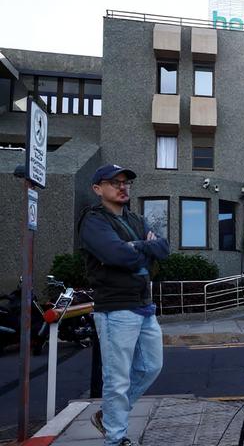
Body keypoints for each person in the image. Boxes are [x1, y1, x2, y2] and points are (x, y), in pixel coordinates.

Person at [78, 164, 170, 446]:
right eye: (114, 182)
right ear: (97, 188)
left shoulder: (137, 220)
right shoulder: (94, 221)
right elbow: (117, 255)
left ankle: (108, 415)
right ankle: (115, 438)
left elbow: (164, 249)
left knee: (151, 367)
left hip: (143, 305)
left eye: (126, 182)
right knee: (117, 380)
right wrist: (144, 247)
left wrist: (135, 246)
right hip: (115, 309)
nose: (122, 187)